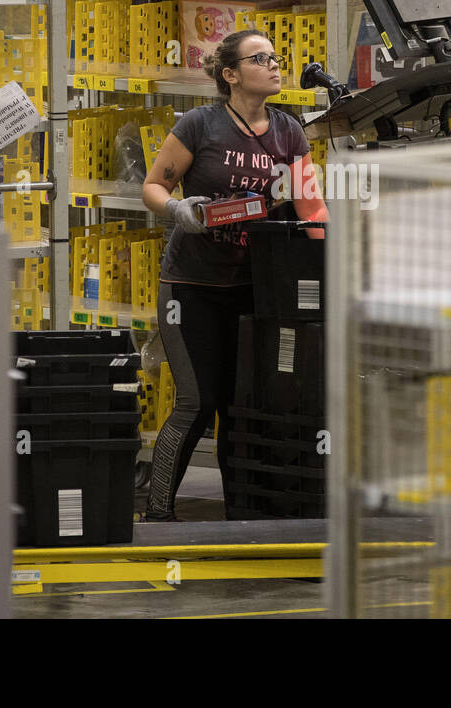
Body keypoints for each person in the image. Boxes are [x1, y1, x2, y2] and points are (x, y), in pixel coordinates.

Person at [140, 29, 329, 521]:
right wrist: (179, 209)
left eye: (274, 57)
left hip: (258, 288)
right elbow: (153, 186)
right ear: (230, 74)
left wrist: (335, 259)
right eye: (259, 58)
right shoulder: (200, 125)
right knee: (196, 402)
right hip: (192, 285)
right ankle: (157, 513)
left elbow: (311, 206)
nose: (274, 64)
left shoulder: (288, 130)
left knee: (242, 406)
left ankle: (240, 512)